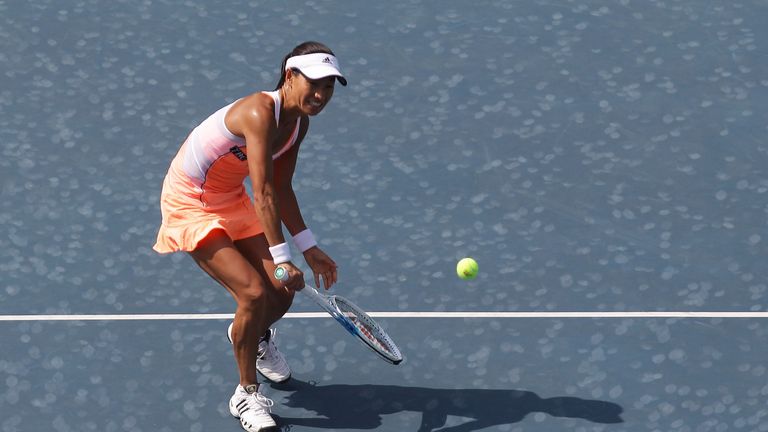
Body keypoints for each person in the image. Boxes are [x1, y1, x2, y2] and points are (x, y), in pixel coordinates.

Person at [153, 41, 345, 432]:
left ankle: (251, 335)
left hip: (228, 198)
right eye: (314, 84)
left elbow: (283, 188)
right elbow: (264, 192)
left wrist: (309, 248)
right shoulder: (259, 112)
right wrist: (283, 258)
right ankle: (246, 394)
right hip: (191, 200)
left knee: (281, 294)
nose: (321, 95)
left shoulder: (298, 124)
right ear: (290, 76)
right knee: (254, 294)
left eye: (329, 87)